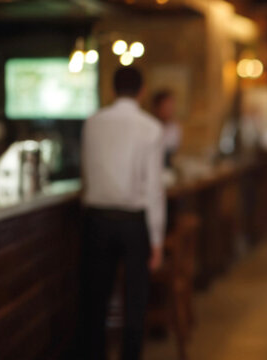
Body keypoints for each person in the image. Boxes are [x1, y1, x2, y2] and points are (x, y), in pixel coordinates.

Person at [78, 67, 164, 360]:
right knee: (135, 300)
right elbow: (153, 189)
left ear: (112, 90)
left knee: (95, 300)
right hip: (133, 223)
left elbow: (86, 174)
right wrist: (157, 239)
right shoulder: (151, 127)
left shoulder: (92, 123)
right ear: (142, 91)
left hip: (96, 220)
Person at [150, 89, 181, 167]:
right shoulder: (149, 128)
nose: (170, 110)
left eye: (171, 106)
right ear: (157, 107)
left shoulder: (174, 128)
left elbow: (174, 153)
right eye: (166, 106)